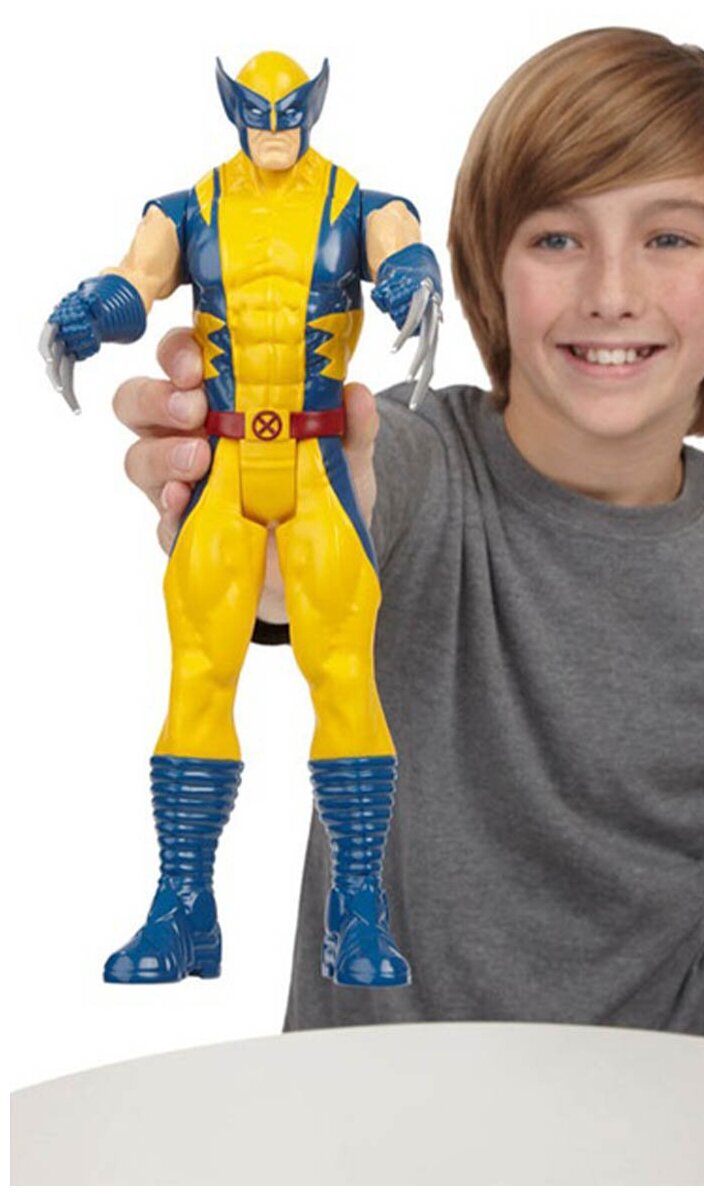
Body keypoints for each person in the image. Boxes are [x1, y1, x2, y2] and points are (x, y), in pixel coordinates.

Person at [112, 28, 704, 1058]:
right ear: (487, 276)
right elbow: (330, 534)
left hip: (666, 1109)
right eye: (555, 239)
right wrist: (249, 499)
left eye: (669, 237)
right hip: (363, 1112)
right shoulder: (421, 463)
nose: (612, 290)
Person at [43, 50, 441, 989]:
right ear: (232, 109)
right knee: (198, 677)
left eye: (287, 111)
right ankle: (184, 909)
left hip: (318, 460)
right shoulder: (189, 208)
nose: (272, 127)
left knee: (345, 678)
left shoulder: (359, 204)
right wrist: (86, 312)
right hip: (223, 458)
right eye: (257, 112)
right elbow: (135, 283)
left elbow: (403, 251)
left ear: (312, 107)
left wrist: (412, 280)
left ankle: (358, 910)